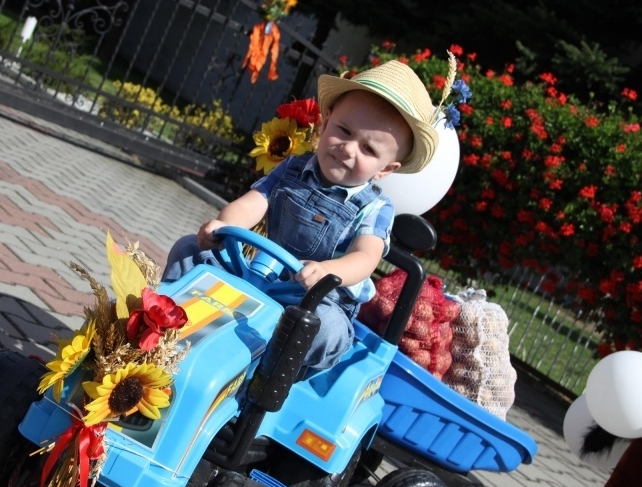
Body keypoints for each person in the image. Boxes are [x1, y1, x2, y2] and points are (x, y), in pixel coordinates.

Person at [162, 60, 439, 370]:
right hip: (261, 274)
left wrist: (328, 272)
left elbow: (365, 257)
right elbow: (255, 201)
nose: (348, 149)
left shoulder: (374, 207)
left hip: (317, 298)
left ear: (386, 169)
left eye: (368, 150)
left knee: (324, 328)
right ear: (325, 123)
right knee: (189, 249)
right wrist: (226, 224)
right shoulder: (293, 168)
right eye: (343, 131)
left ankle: (268, 380)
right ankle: (161, 325)